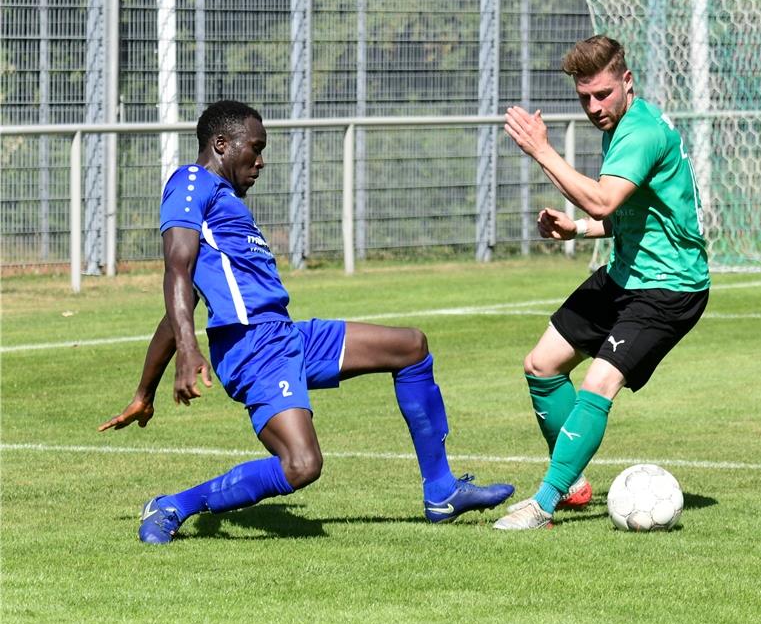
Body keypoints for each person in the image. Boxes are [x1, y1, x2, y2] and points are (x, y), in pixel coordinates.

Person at [100, 100, 513, 543]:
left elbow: (183, 302)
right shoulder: (190, 183)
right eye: (254, 148)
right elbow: (177, 271)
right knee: (301, 466)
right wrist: (188, 350)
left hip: (286, 335)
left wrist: (144, 393)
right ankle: (172, 506)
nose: (261, 161)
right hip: (254, 349)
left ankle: (442, 490)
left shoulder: (224, 207)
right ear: (221, 144)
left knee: (411, 347)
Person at [493, 35, 709, 530]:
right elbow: (627, 213)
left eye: (603, 95)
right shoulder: (621, 126)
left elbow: (602, 200)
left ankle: (543, 502)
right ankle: (571, 482)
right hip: (625, 273)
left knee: (599, 381)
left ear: (626, 81)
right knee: (541, 364)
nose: (594, 107)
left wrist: (542, 150)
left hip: (669, 287)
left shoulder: (642, 132)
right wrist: (579, 229)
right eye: (584, 98)